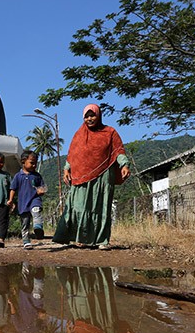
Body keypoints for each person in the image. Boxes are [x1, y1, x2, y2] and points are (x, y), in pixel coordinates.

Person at [52, 104, 131, 250]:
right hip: (80, 176)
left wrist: (124, 165)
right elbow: (72, 155)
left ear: (99, 115)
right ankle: (80, 238)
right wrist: (66, 170)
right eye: (87, 116)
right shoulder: (79, 134)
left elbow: (118, 151)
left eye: (92, 115)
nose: (90, 118)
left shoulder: (110, 132)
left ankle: (102, 240)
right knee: (79, 207)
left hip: (103, 175)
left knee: (101, 207)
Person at [7, 151, 46, 249]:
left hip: (35, 199)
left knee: (36, 210)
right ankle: (26, 241)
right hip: (23, 202)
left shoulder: (37, 176)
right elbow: (13, 188)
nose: (34, 165)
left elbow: (42, 187)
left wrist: (41, 191)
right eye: (32, 162)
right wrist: (11, 200)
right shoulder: (18, 176)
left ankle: (38, 227)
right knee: (25, 223)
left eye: (35, 163)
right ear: (23, 161)